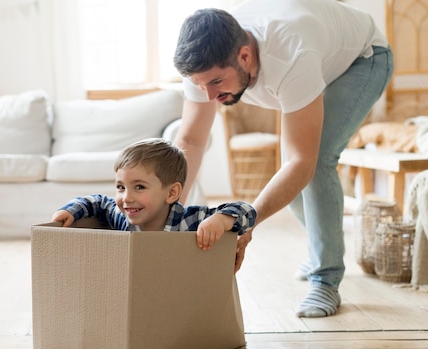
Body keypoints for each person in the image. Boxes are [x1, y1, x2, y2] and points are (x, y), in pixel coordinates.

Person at [172, 0, 393, 318]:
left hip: (364, 59)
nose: (208, 97)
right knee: (289, 189)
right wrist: (166, 212)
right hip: (319, 54)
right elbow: (191, 140)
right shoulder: (204, 64)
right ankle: (326, 241)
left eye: (216, 83)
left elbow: (302, 162)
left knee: (315, 165)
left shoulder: (291, 53)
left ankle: (326, 280)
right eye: (199, 85)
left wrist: (241, 221)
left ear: (244, 56)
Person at [52, 138, 256, 249]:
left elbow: (248, 211)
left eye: (139, 187)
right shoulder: (122, 218)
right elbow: (97, 201)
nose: (126, 198)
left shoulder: (190, 221)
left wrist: (220, 220)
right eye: (121, 187)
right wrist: (71, 210)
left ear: (172, 193)